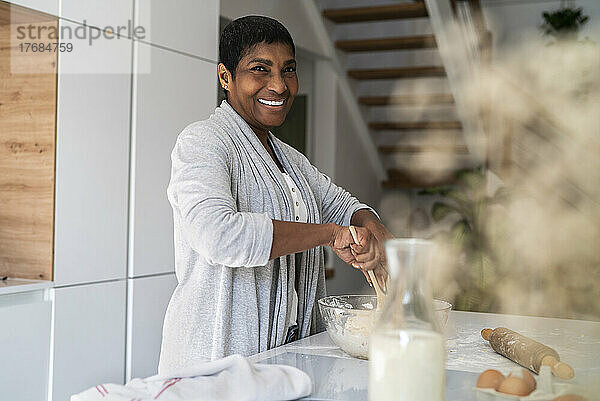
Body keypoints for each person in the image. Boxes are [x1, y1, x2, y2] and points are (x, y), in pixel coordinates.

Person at [158, 15, 392, 374]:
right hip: (215, 366)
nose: (279, 86)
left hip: (281, 363)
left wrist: (383, 241)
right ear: (226, 77)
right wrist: (330, 234)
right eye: (260, 70)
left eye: (288, 70)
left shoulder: (290, 160)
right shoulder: (203, 142)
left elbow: (345, 206)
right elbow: (219, 235)